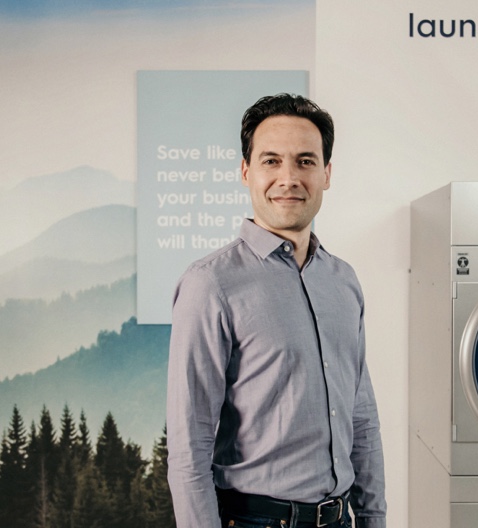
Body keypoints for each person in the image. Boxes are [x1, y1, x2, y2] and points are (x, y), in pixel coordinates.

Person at [166, 93, 386, 528]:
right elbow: (189, 446)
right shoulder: (210, 284)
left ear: (326, 174)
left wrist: (374, 518)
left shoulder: (343, 281)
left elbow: (362, 419)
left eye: (305, 161)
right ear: (246, 171)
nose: (289, 178)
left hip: (340, 519)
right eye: (271, 161)